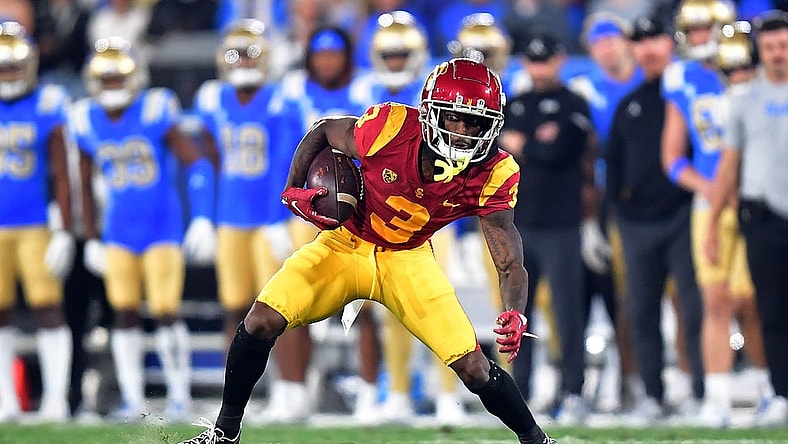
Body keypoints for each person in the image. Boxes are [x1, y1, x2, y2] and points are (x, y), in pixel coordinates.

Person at [178, 57, 557, 444]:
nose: (462, 131)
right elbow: (325, 130)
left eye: (474, 122)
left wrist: (514, 310)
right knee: (260, 320)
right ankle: (224, 432)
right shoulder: (391, 127)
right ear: (428, 114)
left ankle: (537, 440)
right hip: (346, 244)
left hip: (407, 258)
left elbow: (509, 258)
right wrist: (294, 185)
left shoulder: (494, 171)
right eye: (453, 118)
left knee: (474, 367)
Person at [71, 36, 217, 422]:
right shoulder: (85, 117)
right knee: (123, 313)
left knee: (167, 310)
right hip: (117, 231)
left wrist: (202, 215)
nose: (113, 86)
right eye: (107, 79)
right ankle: (133, 399)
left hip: (161, 228)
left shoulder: (156, 108)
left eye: (119, 78)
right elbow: (82, 182)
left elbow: (197, 162)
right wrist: (90, 237)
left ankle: (180, 397)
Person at [352, 10, 468, 424]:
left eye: (403, 53)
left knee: (440, 303)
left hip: (434, 213)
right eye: (390, 53)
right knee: (391, 306)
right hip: (383, 214)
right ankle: (398, 392)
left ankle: (447, 396)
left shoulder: (436, 88)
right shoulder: (361, 89)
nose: (397, 60)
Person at [258, 25, 371, 424]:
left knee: (367, 302)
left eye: (334, 53)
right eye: (320, 54)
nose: (327, 61)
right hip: (307, 209)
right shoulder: (291, 91)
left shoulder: (365, 90)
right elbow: (280, 157)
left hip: (359, 210)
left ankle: (373, 392)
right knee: (293, 297)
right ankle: (292, 390)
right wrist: (277, 214)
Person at [497, 31, 601, 426]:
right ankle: (519, 393)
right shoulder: (514, 104)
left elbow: (562, 153)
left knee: (567, 311)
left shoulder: (574, 103)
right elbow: (497, 152)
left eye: (547, 59)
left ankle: (573, 390)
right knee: (516, 313)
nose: (540, 67)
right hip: (517, 225)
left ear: (559, 60)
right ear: (526, 63)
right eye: (533, 60)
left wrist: (527, 146)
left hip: (562, 223)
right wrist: (534, 144)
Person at [605, 14, 703, 425]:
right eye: (640, 40)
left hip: (685, 214)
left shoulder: (691, 94)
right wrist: (612, 219)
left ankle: (700, 390)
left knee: (694, 309)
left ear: (671, 43)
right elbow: (613, 168)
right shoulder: (630, 104)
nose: (648, 48)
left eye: (656, 39)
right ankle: (653, 395)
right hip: (636, 223)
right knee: (641, 311)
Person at [660, 0, 742, 424]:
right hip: (710, 200)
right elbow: (673, 158)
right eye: (691, 29)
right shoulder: (679, 77)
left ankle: (769, 387)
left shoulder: (752, 67)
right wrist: (708, 186)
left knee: (753, 300)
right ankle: (717, 396)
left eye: (706, 27)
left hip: (756, 198)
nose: (699, 37)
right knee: (716, 300)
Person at [707, 10, 788, 426]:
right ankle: (780, 392)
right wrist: (712, 224)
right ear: (760, 51)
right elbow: (728, 166)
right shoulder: (745, 100)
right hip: (762, 215)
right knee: (771, 310)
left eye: (784, 45)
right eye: (771, 46)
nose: (778, 53)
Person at [193, 19, 294, 348]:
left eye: (251, 54)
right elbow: (206, 163)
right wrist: (203, 216)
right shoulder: (211, 98)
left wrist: (278, 218)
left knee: (279, 309)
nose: (245, 62)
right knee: (234, 306)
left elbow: (285, 163)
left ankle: (287, 388)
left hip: (268, 218)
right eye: (237, 55)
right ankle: (233, 393)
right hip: (229, 216)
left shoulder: (282, 99)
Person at [0, 20, 75, 423]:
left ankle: (56, 401)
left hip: (33, 223)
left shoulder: (48, 101)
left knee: (48, 307)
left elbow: (63, 173)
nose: (8, 76)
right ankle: (5, 401)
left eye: (13, 67)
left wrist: (64, 228)